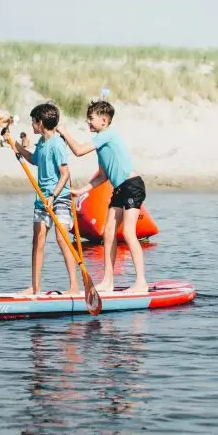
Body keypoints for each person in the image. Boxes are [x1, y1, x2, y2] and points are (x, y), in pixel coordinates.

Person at [57, 100, 149, 294]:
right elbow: (103, 175)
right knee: (108, 232)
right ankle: (108, 281)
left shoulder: (107, 135)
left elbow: (79, 151)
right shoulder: (101, 142)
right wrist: (81, 191)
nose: (88, 122)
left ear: (104, 120)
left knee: (128, 233)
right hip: (120, 188)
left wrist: (65, 133)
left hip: (132, 186)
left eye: (91, 118)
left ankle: (141, 282)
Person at [12, 103, 80, 298]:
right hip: (41, 199)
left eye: (33, 121)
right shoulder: (41, 142)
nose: (32, 125)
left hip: (59, 198)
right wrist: (16, 146)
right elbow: (35, 160)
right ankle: (35, 287)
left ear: (40, 123)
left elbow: (65, 174)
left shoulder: (57, 144)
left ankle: (74, 286)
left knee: (62, 239)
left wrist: (53, 196)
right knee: (38, 241)